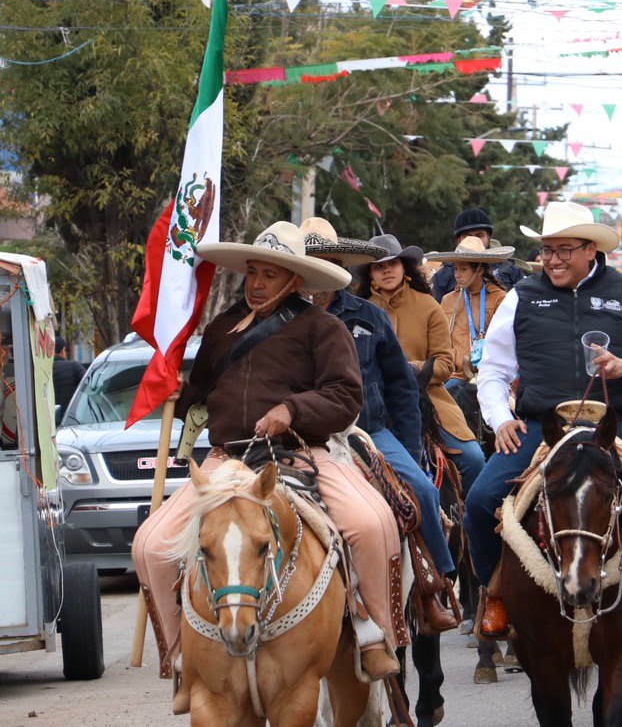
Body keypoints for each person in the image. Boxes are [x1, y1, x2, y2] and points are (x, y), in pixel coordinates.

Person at [131, 221, 406, 713]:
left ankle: (372, 633)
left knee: (372, 523)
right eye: (252, 272)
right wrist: (176, 390)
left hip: (302, 455)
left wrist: (292, 411)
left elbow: (346, 396)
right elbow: (205, 392)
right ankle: (180, 659)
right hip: (224, 460)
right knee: (150, 546)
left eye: (270, 274)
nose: (256, 283)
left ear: (295, 280)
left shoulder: (325, 328)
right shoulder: (220, 330)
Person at [463, 201, 622, 639]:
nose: (553, 259)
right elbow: (493, 372)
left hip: (616, 422)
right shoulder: (522, 296)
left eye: (564, 250)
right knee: (479, 501)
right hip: (542, 424)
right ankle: (494, 589)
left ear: (590, 249)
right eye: (547, 250)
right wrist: (500, 420)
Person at [299, 219, 457, 633]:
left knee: (421, 488)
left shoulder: (368, 317)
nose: (320, 272)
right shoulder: (280, 321)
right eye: (310, 263)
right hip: (298, 438)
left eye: (327, 263)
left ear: (340, 266)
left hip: (367, 431)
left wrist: (405, 447)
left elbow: (403, 388)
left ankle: (433, 584)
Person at [359, 235, 487, 497]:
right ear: (370, 273)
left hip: (428, 399)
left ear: (404, 266)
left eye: (392, 263)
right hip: (373, 403)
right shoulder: (360, 310)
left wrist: (412, 368)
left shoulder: (428, 305)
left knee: (474, 459)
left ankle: (471, 530)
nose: (386, 270)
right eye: (378, 266)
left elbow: (444, 363)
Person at [425, 236, 512, 397]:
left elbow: (506, 341)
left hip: (491, 376)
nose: (457, 275)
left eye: (463, 269)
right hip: (454, 376)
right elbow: (440, 341)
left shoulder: (499, 298)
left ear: (479, 270)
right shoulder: (448, 300)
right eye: (455, 269)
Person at [430, 208, 524, 300]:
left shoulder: (511, 271)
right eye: (467, 236)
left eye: (479, 236)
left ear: (489, 238)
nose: (474, 240)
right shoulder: (443, 276)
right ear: (458, 240)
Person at [53, 335, 86, 409]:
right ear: (63, 351)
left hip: (50, 417)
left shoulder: (44, 371)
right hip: (72, 416)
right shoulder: (74, 366)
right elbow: (89, 383)